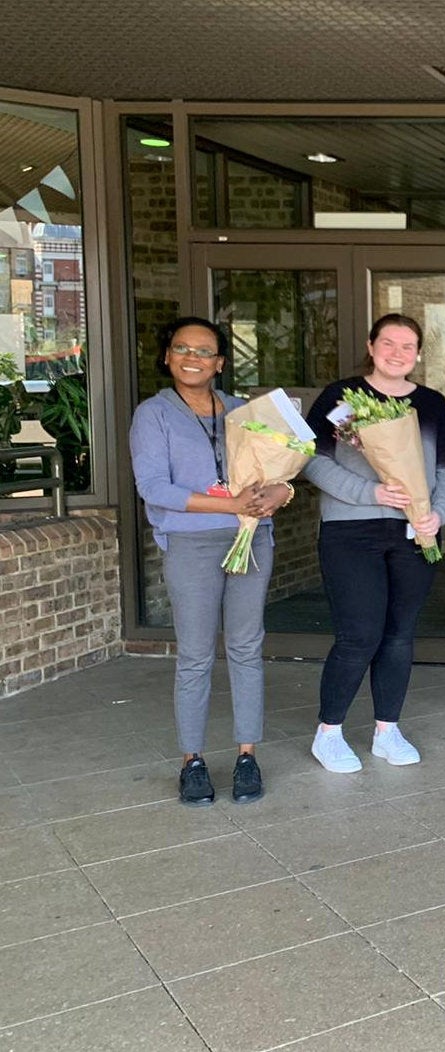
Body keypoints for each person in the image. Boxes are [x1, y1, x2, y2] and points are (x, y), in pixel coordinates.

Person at [129, 317, 291, 806]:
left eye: (204, 351)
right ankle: (192, 761)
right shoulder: (153, 415)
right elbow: (155, 488)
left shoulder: (244, 411)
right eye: (182, 348)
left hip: (252, 539)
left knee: (246, 646)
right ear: (167, 357)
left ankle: (247, 755)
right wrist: (231, 505)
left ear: (220, 362)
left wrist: (281, 492)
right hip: (193, 543)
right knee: (196, 655)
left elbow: (280, 471)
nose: (192, 358)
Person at [301, 314, 445, 772]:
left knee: (399, 635)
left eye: (407, 345)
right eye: (388, 343)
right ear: (371, 346)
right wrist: (368, 492)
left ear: (417, 354)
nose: (397, 352)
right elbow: (311, 460)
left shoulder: (430, 404)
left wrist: (439, 512)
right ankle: (328, 732)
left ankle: (386, 730)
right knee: (359, 635)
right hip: (351, 531)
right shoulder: (342, 398)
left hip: (415, 532)